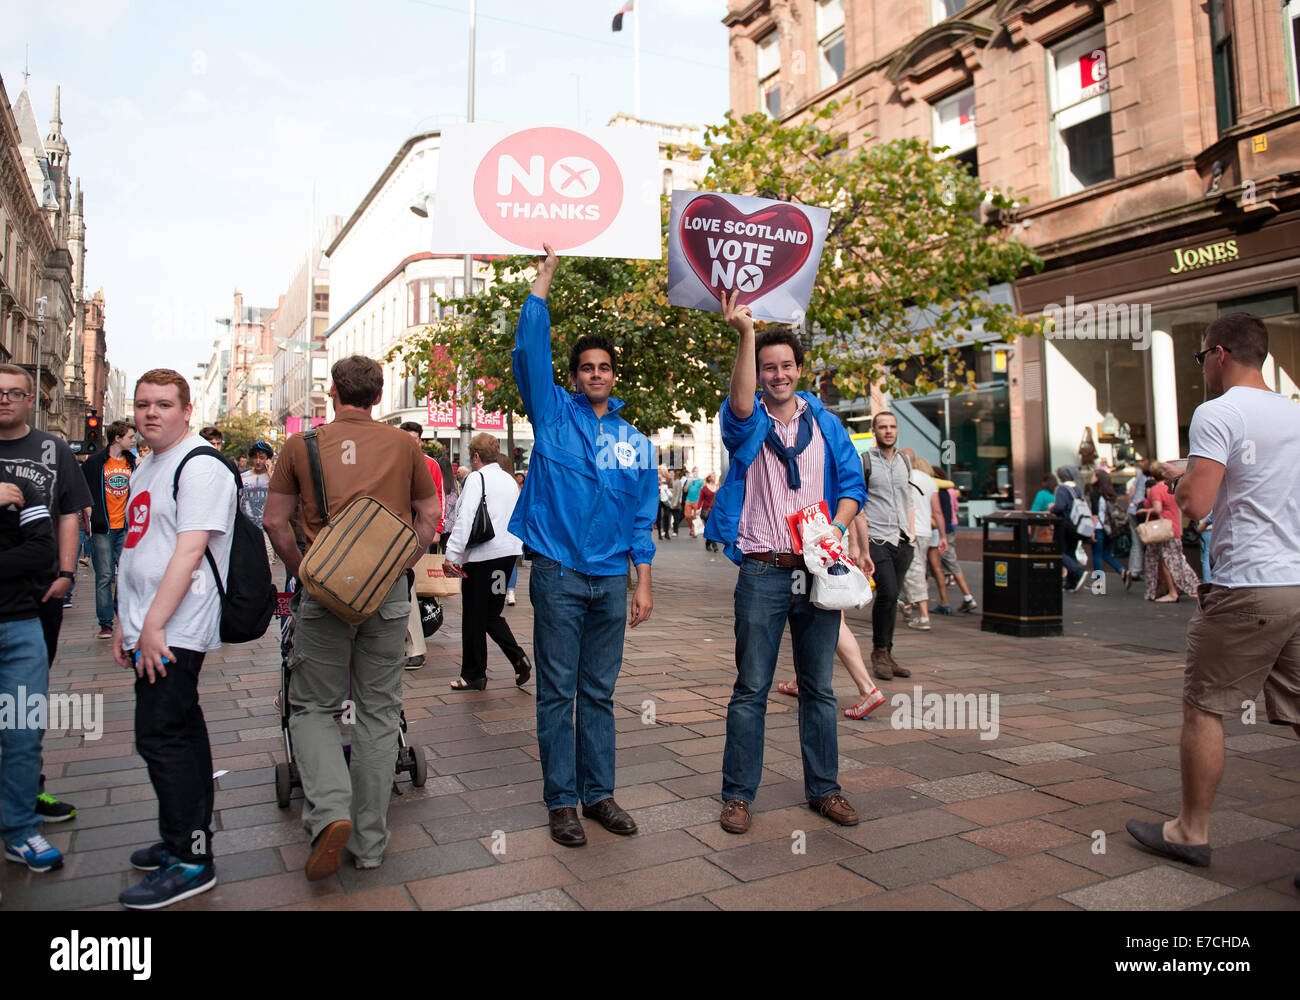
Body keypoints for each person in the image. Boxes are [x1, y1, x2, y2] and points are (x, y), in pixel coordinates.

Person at [1127, 312, 1300, 871]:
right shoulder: (1294, 414)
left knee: (1204, 706)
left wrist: (1181, 477)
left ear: (1220, 353)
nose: (1201, 368)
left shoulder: (1218, 412)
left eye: (1201, 358)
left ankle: (1190, 830)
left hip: (1246, 585)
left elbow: (1196, 505)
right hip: (1296, 581)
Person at [263, 355, 439, 878]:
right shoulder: (406, 446)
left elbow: (275, 522)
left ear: (333, 393)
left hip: (324, 594)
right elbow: (429, 516)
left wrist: (307, 572)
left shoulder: (302, 445)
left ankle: (330, 812)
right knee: (379, 711)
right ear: (379, 397)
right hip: (386, 596)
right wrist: (396, 567)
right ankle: (368, 843)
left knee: (313, 707)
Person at [705, 290, 868, 835]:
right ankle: (737, 797)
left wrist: (836, 531)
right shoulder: (747, 424)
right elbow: (741, 404)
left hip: (816, 571)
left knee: (819, 687)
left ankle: (825, 790)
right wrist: (746, 334)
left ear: (800, 370)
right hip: (762, 570)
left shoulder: (826, 424)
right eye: (767, 367)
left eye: (785, 366)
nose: (777, 375)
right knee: (751, 687)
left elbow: (851, 485)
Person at [511, 244, 656, 848]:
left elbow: (642, 515)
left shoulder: (634, 440)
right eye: (585, 367)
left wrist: (642, 579)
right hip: (560, 574)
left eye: (604, 367)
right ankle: (561, 802)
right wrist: (545, 274)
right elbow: (528, 350)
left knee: (599, 693)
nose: (595, 373)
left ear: (613, 376)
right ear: (573, 377)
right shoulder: (552, 416)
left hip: (610, 583)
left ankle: (599, 796)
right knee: (557, 693)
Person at [113, 369, 237, 908]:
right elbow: (136, 547)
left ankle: (192, 859)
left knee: (160, 735)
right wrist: (125, 619)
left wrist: (155, 625)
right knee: (181, 729)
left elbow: (188, 552)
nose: (151, 413)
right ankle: (183, 839)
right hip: (151, 621)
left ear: (187, 410)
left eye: (164, 404)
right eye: (143, 404)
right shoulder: (148, 466)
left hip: (178, 623)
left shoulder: (200, 466)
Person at [0, 364, 91, 825]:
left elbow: (69, 513)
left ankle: (28, 790)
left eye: (15, 393)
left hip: (38, 593)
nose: (5, 400)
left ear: (31, 399)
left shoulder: (51, 447)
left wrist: (66, 572)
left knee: (25, 704)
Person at [1, 469, 62, 872]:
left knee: (23, 735)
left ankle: (20, 829)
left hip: (20, 627)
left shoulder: (21, 486)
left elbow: (42, 551)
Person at [444, 434, 530, 691]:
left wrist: (452, 555)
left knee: (473, 615)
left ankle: (473, 674)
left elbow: (465, 518)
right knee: (491, 613)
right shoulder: (507, 479)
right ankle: (518, 658)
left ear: (476, 456)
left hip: (481, 557)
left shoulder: (476, 478)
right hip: (506, 556)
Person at [860, 411, 914, 681]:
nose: (888, 431)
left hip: (902, 539)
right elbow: (857, 504)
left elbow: (909, 499)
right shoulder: (866, 461)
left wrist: (912, 533)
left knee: (892, 598)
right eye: (883, 427)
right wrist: (861, 545)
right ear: (874, 431)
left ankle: (888, 653)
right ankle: (879, 652)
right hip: (877, 537)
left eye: (892, 426)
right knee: (888, 591)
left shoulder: (905, 460)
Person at [82, 420, 137, 639]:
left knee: (126, 574)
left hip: (126, 527)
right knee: (104, 576)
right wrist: (89, 513)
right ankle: (105, 623)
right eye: (131, 437)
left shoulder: (132, 463)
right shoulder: (95, 463)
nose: (134, 441)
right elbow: (82, 490)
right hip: (102, 528)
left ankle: (122, 614)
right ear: (118, 438)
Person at [398, 422, 446, 669]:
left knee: (409, 585)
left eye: (414, 438)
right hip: (394, 532)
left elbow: (439, 497)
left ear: (420, 441)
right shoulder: (391, 460)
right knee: (404, 587)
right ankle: (408, 644)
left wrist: (437, 530)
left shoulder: (430, 465)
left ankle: (415, 646)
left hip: (417, 533)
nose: (410, 442)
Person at [1136, 461, 1200, 603]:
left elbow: (1158, 510)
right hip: (1174, 526)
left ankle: (1171, 591)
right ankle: (1181, 587)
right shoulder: (1173, 487)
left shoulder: (1156, 489)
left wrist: (1144, 510)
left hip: (1162, 530)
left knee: (1162, 561)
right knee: (1175, 560)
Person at [898, 450, 944, 630]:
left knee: (913, 570)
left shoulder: (904, 477)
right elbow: (937, 511)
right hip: (926, 531)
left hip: (909, 532)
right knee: (914, 569)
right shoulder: (928, 480)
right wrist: (942, 535)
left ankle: (923, 616)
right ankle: (907, 606)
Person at [931, 478, 977, 613]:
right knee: (939, 565)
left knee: (946, 564)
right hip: (949, 527)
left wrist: (942, 532)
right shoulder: (949, 490)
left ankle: (967, 597)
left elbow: (939, 513)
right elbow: (955, 508)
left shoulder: (939, 492)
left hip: (941, 530)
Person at [1051, 465, 1091, 591]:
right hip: (1076, 525)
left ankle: (1078, 571)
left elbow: (1060, 507)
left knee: (1058, 551)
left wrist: (1051, 508)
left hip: (1064, 524)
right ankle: (1071, 583)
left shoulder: (1061, 489)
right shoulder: (1077, 489)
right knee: (1070, 552)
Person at [1087, 468, 1127, 585]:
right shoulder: (1109, 493)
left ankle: (1099, 583)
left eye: (1093, 475)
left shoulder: (1095, 494)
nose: (1091, 477)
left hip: (1099, 528)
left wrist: (1092, 530)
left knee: (1097, 555)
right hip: (1110, 529)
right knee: (1105, 553)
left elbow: (1095, 513)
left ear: (1098, 478)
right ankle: (1122, 570)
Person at [240, 440, 275, 565]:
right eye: (255, 457)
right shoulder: (243, 477)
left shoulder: (274, 477)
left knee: (266, 564)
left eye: (262, 458)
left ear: (268, 459)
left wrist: (270, 472)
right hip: (247, 529)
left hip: (266, 530)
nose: (258, 461)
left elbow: (279, 493)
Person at [1125, 459, 1151, 587]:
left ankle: (1134, 570)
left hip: (1133, 509)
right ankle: (1141, 570)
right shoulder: (1150, 478)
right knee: (1148, 542)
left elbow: (1131, 491)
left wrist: (1130, 505)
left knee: (1136, 543)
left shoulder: (1139, 476)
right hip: (1143, 511)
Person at [700, 473, 719, 552]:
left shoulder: (718, 487)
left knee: (713, 528)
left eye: (715, 476)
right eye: (713, 477)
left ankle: (708, 543)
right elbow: (701, 499)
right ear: (709, 478)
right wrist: (697, 509)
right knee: (710, 528)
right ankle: (714, 545)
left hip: (716, 511)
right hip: (706, 510)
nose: (715, 478)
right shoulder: (704, 488)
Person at [683, 466, 704, 536]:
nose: (696, 473)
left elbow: (703, 491)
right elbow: (685, 490)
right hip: (688, 500)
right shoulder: (689, 480)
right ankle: (692, 528)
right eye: (694, 471)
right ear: (692, 472)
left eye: (697, 471)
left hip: (697, 501)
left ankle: (693, 531)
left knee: (695, 517)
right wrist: (688, 482)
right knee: (687, 516)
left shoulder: (701, 481)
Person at [657, 471, 673, 540]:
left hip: (666, 499)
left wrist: (666, 489)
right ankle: (659, 533)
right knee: (658, 516)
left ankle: (666, 532)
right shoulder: (655, 478)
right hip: (658, 499)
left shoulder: (668, 479)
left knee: (666, 515)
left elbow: (672, 488)